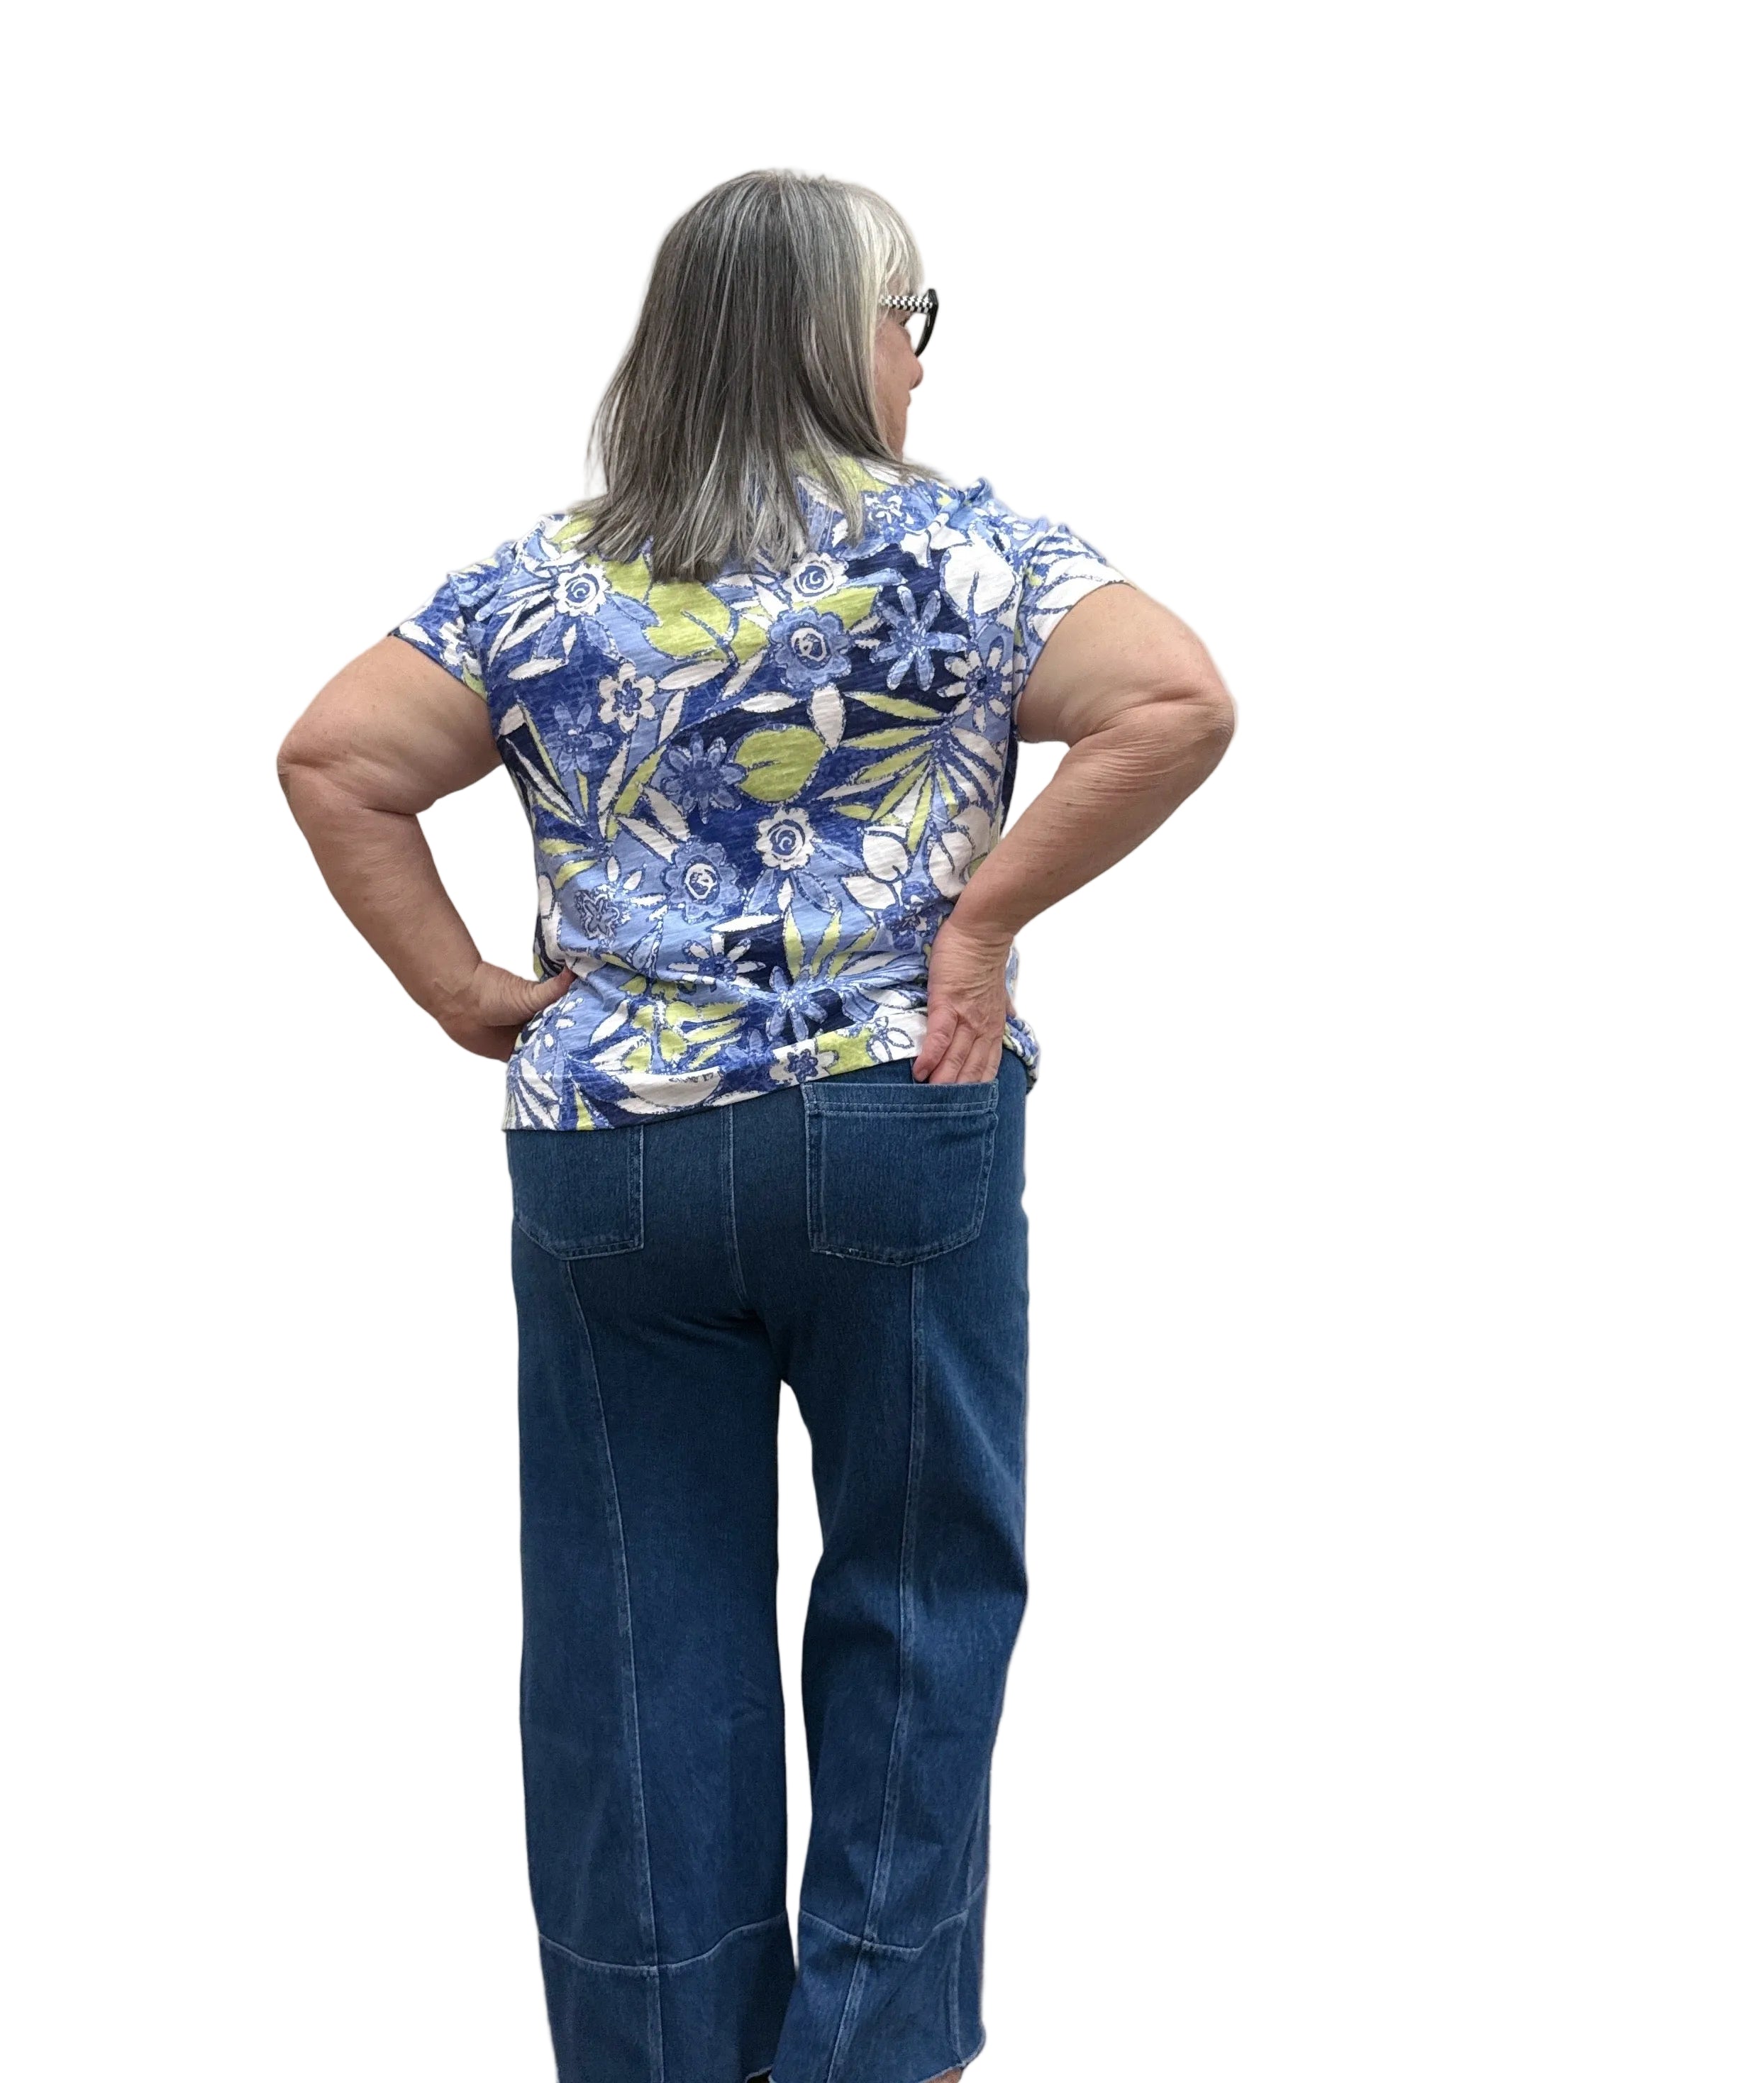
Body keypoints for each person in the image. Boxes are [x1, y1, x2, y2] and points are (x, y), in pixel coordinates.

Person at [277, 169, 1234, 2083]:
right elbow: (1174, 702)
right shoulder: (968, 554)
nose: (920, 363)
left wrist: (466, 993)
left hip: (614, 1155)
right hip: (899, 1117)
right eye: (909, 320)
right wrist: (979, 922)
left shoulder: (545, 579)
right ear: (839, 335)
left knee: (633, 1628)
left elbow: (335, 757)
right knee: (918, 1590)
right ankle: (865, 2056)